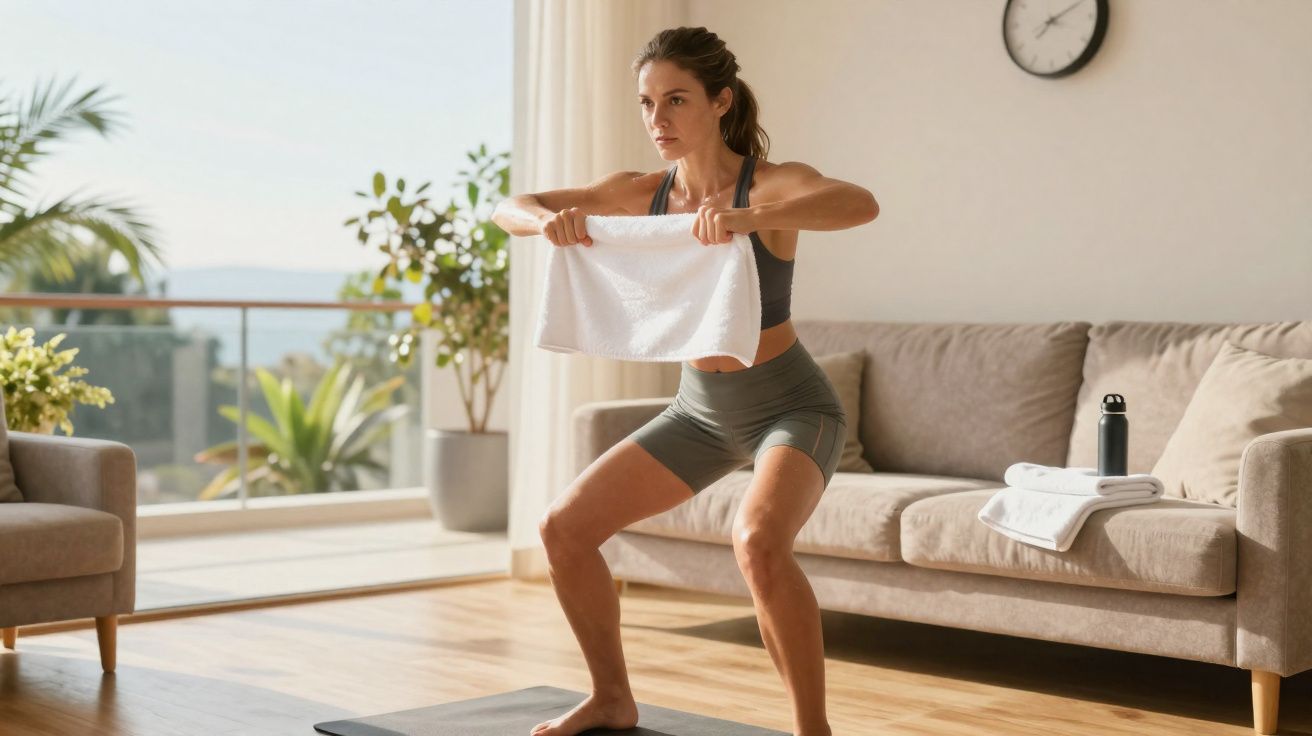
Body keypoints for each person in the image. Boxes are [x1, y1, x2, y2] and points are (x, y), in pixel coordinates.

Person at [492, 25, 879, 736]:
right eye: (646, 104)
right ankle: (611, 697)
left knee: (758, 542)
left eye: (676, 100)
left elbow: (859, 204)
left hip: (791, 406)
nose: (657, 121)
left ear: (720, 101)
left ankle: (813, 731)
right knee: (562, 530)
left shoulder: (767, 183)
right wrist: (552, 222)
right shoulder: (641, 193)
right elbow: (509, 207)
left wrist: (746, 218)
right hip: (698, 412)